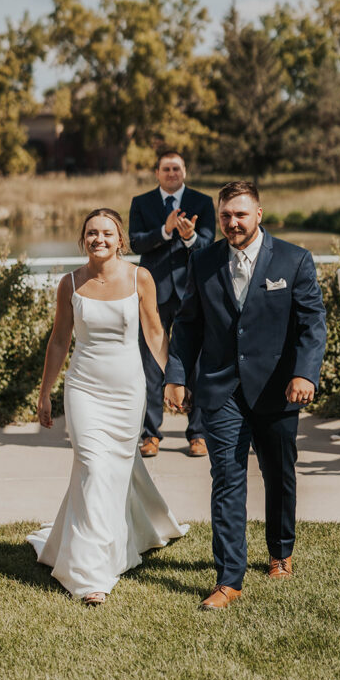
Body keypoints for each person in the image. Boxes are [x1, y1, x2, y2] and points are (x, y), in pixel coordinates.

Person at [164, 181, 326, 611]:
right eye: (225, 216)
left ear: (259, 214)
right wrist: (175, 376)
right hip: (221, 389)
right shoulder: (203, 261)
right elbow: (187, 325)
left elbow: (313, 325)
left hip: (278, 388)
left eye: (240, 214)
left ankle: (280, 552)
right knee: (227, 483)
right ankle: (228, 579)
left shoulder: (294, 260)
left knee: (279, 473)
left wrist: (304, 374)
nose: (232, 223)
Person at [27, 208, 188, 606]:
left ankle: (121, 535)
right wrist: (46, 391)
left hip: (127, 390)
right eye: (92, 233)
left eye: (108, 233)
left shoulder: (139, 277)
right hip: (83, 388)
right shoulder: (69, 283)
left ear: (121, 240)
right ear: (83, 240)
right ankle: (90, 573)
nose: (100, 239)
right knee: (93, 467)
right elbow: (60, 340)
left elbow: (154, 330)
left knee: (113, 472)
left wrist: (173, 378)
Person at [129, 150, 216, 458]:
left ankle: (198, 433)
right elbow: (136, 243)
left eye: (177, 168)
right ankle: (151, 434)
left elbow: (209, 246)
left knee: (195, 363)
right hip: (151, 295)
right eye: (166, 168)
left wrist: (190, 237)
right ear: (157, 173)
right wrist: (165, 231)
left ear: (185, 171)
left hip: (192, 293)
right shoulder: (141, 203)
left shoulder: (202, 202)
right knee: (152, 366)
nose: (171, 173)